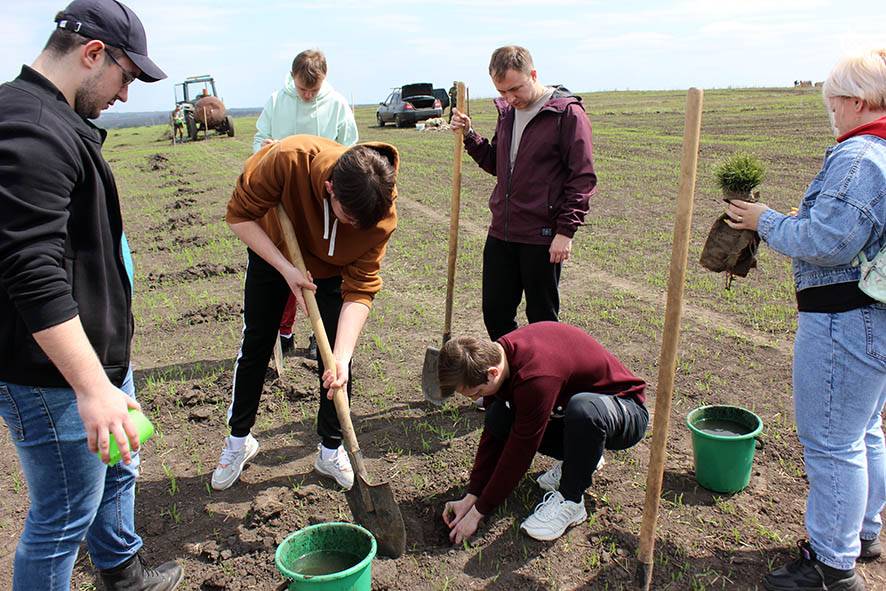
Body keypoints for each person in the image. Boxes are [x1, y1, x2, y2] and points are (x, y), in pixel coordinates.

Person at [0, 1, 183, 589]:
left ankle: (122, 574)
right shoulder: (27, 127)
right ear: (93, 53)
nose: (126, 96)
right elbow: (31, 271)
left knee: (119, 470)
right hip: (54, 377)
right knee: (60, 520)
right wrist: (89, 386)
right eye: (126, 77)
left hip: (96, 365)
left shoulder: (51, 118)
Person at [726, 49, 886, 591]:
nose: (831, 111)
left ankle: (830, 567)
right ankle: (862, 532)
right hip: (872, 317)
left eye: (834, 101)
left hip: (844, 319)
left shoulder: (861, 157)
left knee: (831, 442)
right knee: (863, 432)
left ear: (858, 100)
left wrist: (764, 220)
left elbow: (829, 240)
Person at [212, 135, 398, 492]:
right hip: (274, 252)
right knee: (257, 343)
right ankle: (238, 441)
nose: (352, 229)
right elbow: (238, 216)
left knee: (338, 364)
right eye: (346, 218)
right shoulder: (287, 160)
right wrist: (285, 268)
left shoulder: (380, 213)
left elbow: (360, 288)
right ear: (330, 189)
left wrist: (341, 357)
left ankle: (330, 449)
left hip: (332, 271)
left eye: (361, 226)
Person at [434, 322, 648, 543]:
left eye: (476, 393)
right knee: (500, 414)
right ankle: (584, 460)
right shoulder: (500, 355)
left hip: (625, 411)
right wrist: (473, 494)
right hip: (574, 412)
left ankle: (571, 501)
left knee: (584, 410)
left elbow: (520, 451)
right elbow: (494, 432)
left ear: (492, 373)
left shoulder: (536, 377)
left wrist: (479, 512)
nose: (476, 398)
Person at [450, 46, 595, 342]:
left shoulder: (566, 114)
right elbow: (498, 164)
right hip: (502, 231)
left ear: (533, 74)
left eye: (515, 89)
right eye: (502, 91)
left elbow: (582, 178)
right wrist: (469, 135)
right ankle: (512, 377)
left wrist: (565, 232)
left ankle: (543, 378)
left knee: (542, 319)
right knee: (495, 312)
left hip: (541, 235)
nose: (510, 98)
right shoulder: (507, 113)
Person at [254, 49, 359, 360]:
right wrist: (266, 149)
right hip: (286, 201)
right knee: (287, 268)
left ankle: (321, 335)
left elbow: (350, 148)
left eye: (314, 90)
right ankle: (284, 333)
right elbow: (260, 138)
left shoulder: (337, 104)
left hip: (325, 201)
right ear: (293, 79)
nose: (309, 95)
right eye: (303, 89)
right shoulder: (277, 102)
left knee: (325, 272)